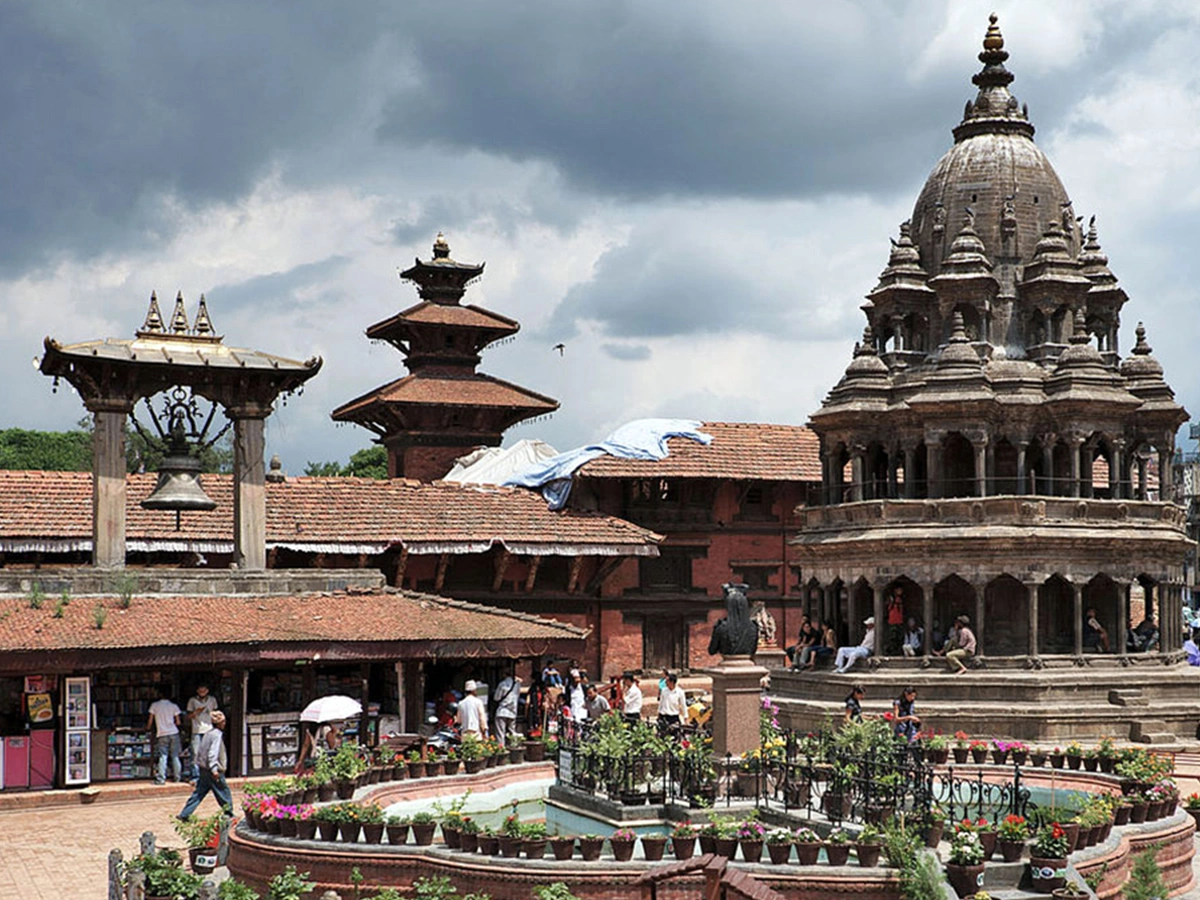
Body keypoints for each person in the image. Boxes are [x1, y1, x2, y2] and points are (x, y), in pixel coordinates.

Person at [178, 710, 232, 820]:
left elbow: (201, 751)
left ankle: (185, 813)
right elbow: (213, 752)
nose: (225, 724)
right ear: (220, 723)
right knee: (223, 791)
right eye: (223, 722)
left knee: (199, 792)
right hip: (213, 769)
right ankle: (229, 812)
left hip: (203, 768)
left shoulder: (208, 733)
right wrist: (214, 769)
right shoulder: (217, 735)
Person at [147, 689, 182, 785]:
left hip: (162, 733)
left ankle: (161, 779)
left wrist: (148, 728)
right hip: (173, 732)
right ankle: (177, 777)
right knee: (175, 756)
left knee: (163, 756)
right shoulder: (174, 706)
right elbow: (178, 722)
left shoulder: (154, 705)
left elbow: (150, 720)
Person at [185, 684, 219, 782]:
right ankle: (196, 776)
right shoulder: (192, 701)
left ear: (207, 690)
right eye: (200, 691)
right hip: (197, 729)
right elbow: (188, 716)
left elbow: (216, 713)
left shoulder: (212, 700)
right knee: (195, 753)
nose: (202, 693)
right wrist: (196, 712)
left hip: (209, 729)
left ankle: (208, 775)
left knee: (209, 753)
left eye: (204, 691)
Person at [492, 672, 522, 749]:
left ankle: (501, 749)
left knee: (500, 733)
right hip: (513, 711)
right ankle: (514, 748)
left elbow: (496, 698)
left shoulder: (502, 684)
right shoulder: (517, 684)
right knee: (512, 732)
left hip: (502, 711)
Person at [886, 586, 906, 654]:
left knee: (899, 637)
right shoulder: (891, 598)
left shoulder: (902, 598)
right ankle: (891, 651)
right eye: (899, 590)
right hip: (892, 621)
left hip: (900, 620)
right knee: (892, 637)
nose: (900, 591)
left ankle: (899, 651)